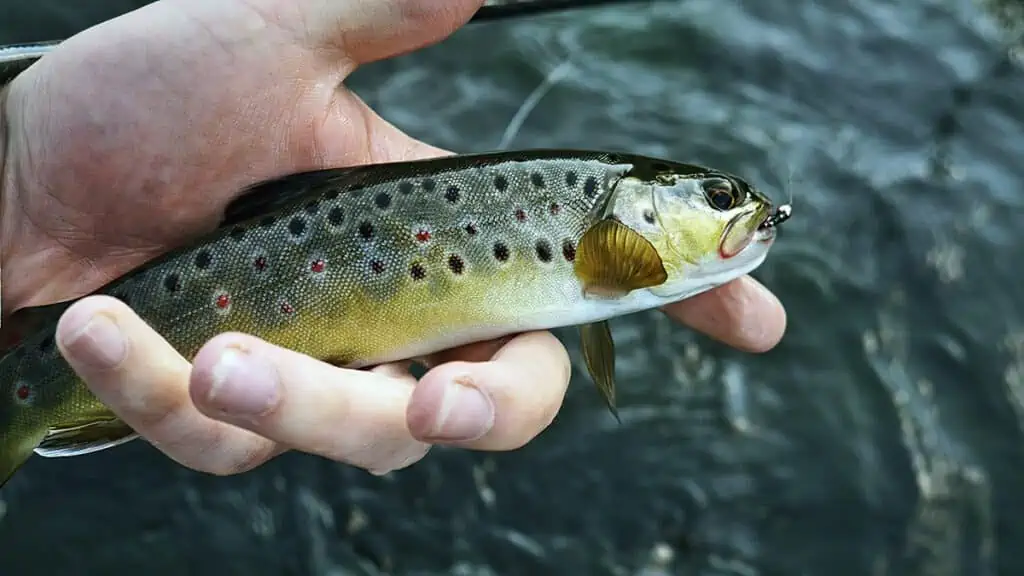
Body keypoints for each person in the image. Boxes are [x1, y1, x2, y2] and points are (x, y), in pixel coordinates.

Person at [0, 0, 786, 477]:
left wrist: (17, 151)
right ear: (636, 212)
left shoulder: (619, 264)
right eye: (719, 198)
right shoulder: (614, 255)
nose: (737, 210)